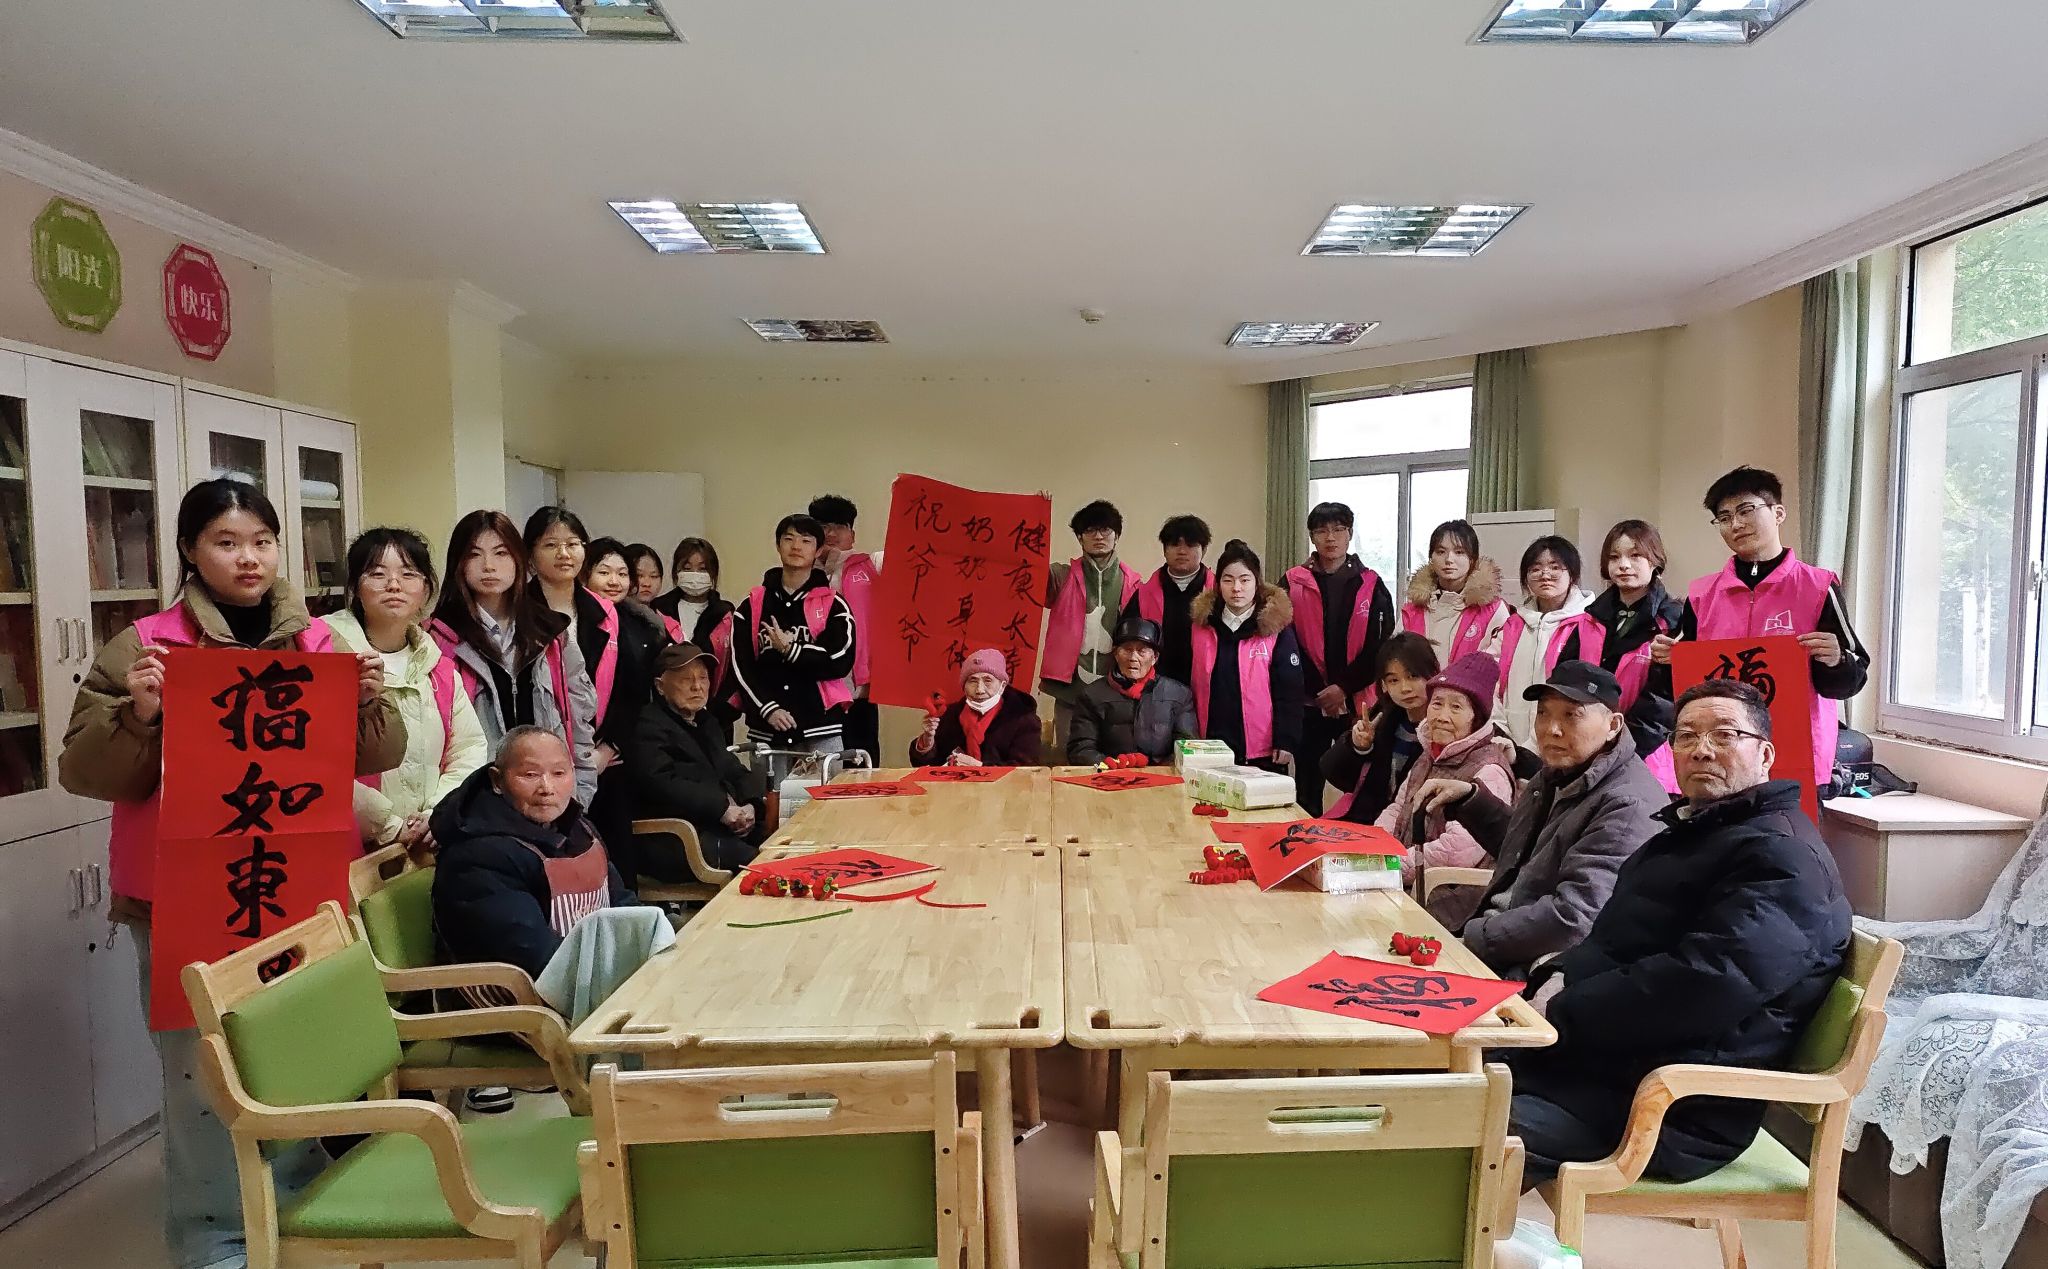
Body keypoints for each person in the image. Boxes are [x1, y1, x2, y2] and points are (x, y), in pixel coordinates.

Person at [57, 478, 404, 1269]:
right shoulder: (147, 645)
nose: (249, 558)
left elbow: (372, 756)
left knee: (301, 1056)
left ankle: (298, 1209)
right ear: (189, 549)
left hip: (297, 892)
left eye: (261, 541)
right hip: (182, 898)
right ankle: (214, 1236)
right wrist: (140, 714)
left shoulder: (320, 643)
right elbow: (84, 771)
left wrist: (366, 702)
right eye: (226, 542)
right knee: (202, 1074)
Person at [1506, 680, 1852, 1189]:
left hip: (1668, 1107)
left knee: (1451, 1125)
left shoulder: (1784, 857)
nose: (1701, 750)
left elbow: (1705, 982)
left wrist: (1561, 1010)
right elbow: (1614, 941)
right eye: (1686, 736)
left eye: (1724, 735)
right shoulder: (1698, 831)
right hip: (1600, 1066)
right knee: (1432, 1073)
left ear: (1765, 754)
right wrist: (1556, 975)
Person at [1412, 662, 1666, 979]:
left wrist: (1472, 939)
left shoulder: (1626, 805)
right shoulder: (1558, 773)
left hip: (1530, 967)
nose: (1551, 729)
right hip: (1498, 937)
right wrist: (1472, 801)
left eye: (1571, 715)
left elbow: (1573, 917)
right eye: (1544, 713)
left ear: (1613, 725)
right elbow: (1526, 852)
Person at [1648, 466, 1871, 790]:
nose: (1736, 524)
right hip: (1719, 756)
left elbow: (1852, 677)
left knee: (1786, 825)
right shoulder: (1702, 595)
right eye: (1724, 518)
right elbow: (1680, 685)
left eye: (1746, 510)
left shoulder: (1818, 586)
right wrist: (1664, 661)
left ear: (1778, 513)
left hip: (1796, 754)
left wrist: (1837, 659)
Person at [321, 526, 488, 855]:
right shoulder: (325, 654)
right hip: (349, 847)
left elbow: (468, 750)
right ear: (355, 587)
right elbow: (317, 762)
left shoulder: (439, 668)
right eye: (377, 573)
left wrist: (436, 815)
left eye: (409, 574)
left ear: (426, 590)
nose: (394, 585)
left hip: (428, 845)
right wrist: (390, 826)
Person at [427, 509, 599, 808]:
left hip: (549, 798)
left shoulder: (551, 633)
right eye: (474, 554)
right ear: (458, 563)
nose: (489, 566)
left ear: (519, 560)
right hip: (476, 803)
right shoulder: (439, 638)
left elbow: (578, 717)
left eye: (501, 553)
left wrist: (578, 793)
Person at [431, 727, 630, 979]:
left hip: (592, 972)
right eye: (530, 775)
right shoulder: (477, 856)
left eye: (559, 773)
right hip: (525, 994)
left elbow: (621, 902)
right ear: (497, 781)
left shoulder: (581, 829)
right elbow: (536, 958)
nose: (547, 788)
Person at [1373, 651, 1516, 928]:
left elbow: (1458, 851)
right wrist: (1374, 847)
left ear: (1476, 718)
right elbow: (1398, 808)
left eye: (1456, 707)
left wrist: (1388, 866)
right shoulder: (1430, 754)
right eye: (1437, 704)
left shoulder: (1489, 769)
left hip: (1448, 897)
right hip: (1404, 876)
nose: (1441, 716)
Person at [1285, 501, 1395, 814]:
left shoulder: (1371, 584)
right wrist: (1321, 691)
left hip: (1357, 701)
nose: (1330, 537)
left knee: (1362, 781)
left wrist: (1343, 688)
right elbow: (1286, 641)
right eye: (1322, 531)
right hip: (1310, 701)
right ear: (1312, 537)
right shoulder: (1292, 581)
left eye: (1338, 529)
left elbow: (1380, 645)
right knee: (1307, 783)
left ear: (1350, 534)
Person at [629, 643, 767, 876]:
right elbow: (662, 784)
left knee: (782, 841)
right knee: (757, 864)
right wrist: (722, 809)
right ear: (660, 686)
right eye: (686, 679)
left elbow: (733, 769)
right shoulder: (647, 725)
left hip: (719, 827)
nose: (697, 686)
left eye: (703, 678)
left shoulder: (706, 722)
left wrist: (751, 805)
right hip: (677, 838)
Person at [1554, 519, 1685, 763]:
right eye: (1614, 557)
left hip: (1643, 753)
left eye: (1635, 556)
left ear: (1655, 561)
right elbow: (1564, 678)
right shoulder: (1589, 618)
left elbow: (1663, 702)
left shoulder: (1674, 621)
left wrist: (1621, 749)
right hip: (1584, 743)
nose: (1624, 565)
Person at [730, 514, 858, 753]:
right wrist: (767, 708)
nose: (796, 546)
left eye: (806, 541)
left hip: (820, 727)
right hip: (767, 729)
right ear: (778, 545)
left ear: (818, 550)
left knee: (827, 780)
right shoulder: (752, 605)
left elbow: (840, 660)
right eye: (789, 539)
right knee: (767, 781)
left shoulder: (834, 604)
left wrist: (793, 650)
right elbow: (740, 666)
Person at [1188, 540, 1304, 772]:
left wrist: (1286, 739)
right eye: (1228, 580)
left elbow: (1290, 689)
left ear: (1257, 583)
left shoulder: (1275, 628)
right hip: (1210, 743)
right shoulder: (1201, 626)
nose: (1236, 588)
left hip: (1262, 748)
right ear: (1218, 584)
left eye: (1244, 580)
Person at [1041, 500, 1141, 759]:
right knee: (1068, 759)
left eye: (1105, 529)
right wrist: (1036, 514)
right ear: (1079, 537)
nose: (1098, 536)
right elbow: (1027, 569)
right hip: (1069, 690)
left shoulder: (1133, 582)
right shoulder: (1060, 576)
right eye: (1090, 530)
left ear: (1117, 535)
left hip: (1116, 690)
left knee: (1114, 760)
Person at [1324, 632, 1440, 824]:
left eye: (1413, 676)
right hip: (1369, 823)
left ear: (1434, 673)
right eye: (1394, 680)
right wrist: (1358, 747)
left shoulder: (1444, 726)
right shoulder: (1382, 717)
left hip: (1414, 829)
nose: (1405, 688)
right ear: (1384, 685)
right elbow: (1334, 774)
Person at [1496, 536, 1595, 748]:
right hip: (1507, 741)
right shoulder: (1513, 625)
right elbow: (1490, 677)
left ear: (1572, 574)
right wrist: (1500, 730)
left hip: (1561, 740)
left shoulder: (1586, 625)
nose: (1545, 575)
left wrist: (1531, 748)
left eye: (1555, 567)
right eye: (1535, 569)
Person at [808, 494, 883, 765]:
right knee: (820, 768)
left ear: (852, 533)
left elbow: (914, 555)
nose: (831, 534)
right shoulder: (800, 574)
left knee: (863, 764)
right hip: (816, 692)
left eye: (839, 526)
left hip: (860, 690)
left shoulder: (872, 565)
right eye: (823, 526)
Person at [1068, 617, 1197, 765]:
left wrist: (1160, 771)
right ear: (1116, 654)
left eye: (1141, 651)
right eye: (1127, 650)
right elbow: (1080, 749)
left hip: (1162, 776)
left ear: (1154, 657)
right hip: (1111, 775)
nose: (1133, 658)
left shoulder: (1179, 695)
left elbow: (1188, 747)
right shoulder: (1092, 695)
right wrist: (1110, 765)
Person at [1121, 514, 1213, 687]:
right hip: (1154, 688)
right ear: (1164, 550)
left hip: (1207, 686)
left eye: (1190, 545)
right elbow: (1126, 644)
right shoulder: (1144, 594)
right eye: (1175, 544)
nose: (1182, 551)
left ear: (1204, 549)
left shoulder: (1218, 593)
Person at [913, 647, 1044, 767]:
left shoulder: (1023, 719)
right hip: (952, 784)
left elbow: (1026, 770)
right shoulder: (950, 715)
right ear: (963, 686)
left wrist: (980, 768)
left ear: (1002, 686)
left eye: (988, 681)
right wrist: (927, 742)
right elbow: (926, 764)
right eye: (973, 681)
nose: (980, 690)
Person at [1401, 518, 1509, 663]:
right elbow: (1397, 661)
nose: (1449, 559)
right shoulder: (1411, 611)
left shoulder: (1493, 611)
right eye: (1441, 552)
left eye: (1459, 552)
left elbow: (1498, 663)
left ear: (1472, 559)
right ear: (1431, 558)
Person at [652, 536, 737, 703]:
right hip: (664, 706)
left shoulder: (726, 614)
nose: (695, 575)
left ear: (713, 573)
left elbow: (733, 666)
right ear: (676, 572)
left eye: (703, 569)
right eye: (687, 568)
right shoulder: (658, 609)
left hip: (712, 708)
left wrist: (723, 708)